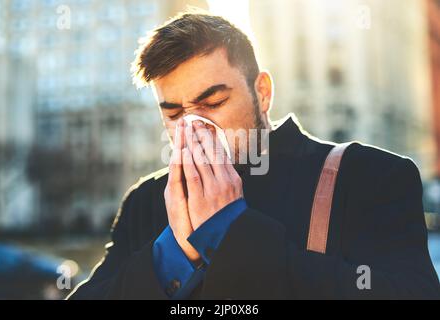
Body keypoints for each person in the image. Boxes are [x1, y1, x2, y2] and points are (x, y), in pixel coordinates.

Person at [68, 12, 440, 300]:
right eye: (174, 113)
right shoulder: (146, 201)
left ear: (262, 93)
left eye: (213, 103)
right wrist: (173, 256)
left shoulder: (369, 177)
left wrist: (232, 233)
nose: (193, 127)